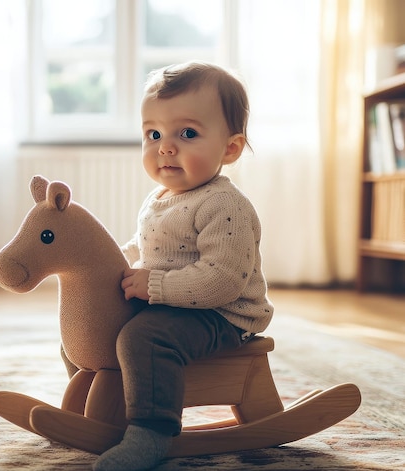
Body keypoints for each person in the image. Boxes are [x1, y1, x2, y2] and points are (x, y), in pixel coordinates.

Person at [93, 61, 274, 471]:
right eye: (153, 134)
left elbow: (221, 281)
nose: (165, 146)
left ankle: (152, 431)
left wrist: (154, 286)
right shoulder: (159, 197)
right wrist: (106, 267)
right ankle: (97, 401)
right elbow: (144, 247)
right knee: (99, 322)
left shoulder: (223, 204)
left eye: (187, 133)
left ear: (230, 148)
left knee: (145, 337)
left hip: (223, 314)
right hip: (176, 299)